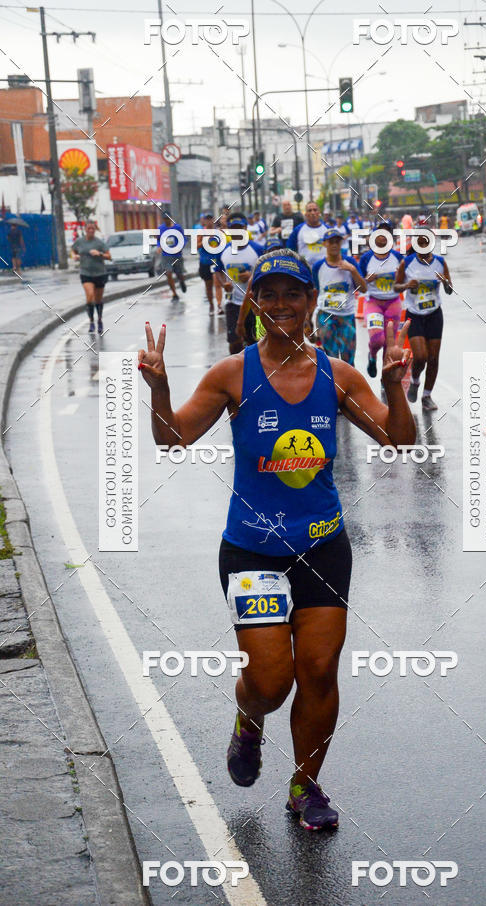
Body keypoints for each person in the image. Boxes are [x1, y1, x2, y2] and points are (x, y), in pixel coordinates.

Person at [137, 247, 415, 831]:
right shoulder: (231, 375)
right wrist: (158, 389)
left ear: (312, 302)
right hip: (251, 550)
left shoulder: (337, 376)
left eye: (294, 293)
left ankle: (305, 786)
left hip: (321, 545)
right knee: (269, 682)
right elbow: (172, 438)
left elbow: (400, 441)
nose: (281, 304)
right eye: (269, 294)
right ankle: (249, 720)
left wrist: (395, 389)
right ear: (254, 304)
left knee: (318, 671)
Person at [394, 230, 453, 411]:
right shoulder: (408, 262)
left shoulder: (440, 262)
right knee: (420, 357)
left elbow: (450, 290)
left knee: (433, 358)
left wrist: (445, 283)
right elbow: (396, 287)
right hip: (415, 314)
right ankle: (415, 380)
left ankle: (427, 396)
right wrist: (406, 285)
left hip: (434, 313)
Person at [312, 228, 366, 366]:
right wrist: (308, 319)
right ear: (325, 244)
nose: (334, 245)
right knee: (331, 360)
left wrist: (353, 271)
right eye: (331, 242)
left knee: (349, 360)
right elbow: (314, 292)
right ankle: (333, 387)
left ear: (341, 243)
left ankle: (347, 387)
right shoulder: (318, 266)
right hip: (326, 316)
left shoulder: (351, 263)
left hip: (346, 317)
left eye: (337, 242)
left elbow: (364, 288)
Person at [213, 213, 263, 354]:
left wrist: (252, 276)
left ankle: (257, 372)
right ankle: (237, 371)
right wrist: (224, 284)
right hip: (232, 303)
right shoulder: (223, 250)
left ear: (246, 228)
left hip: (256, 305)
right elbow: (217, 270)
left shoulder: (258, 249)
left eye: (240, 228)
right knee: (234, 342)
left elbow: (267, 274)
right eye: (233, 229)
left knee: (258, 342)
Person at [359, 222, 404, 378]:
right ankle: (372, 356)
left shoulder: (398, 257)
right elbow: (359, 285)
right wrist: (366, 279)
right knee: (377, 339)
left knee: (388, 344)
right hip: (373, 302)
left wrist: (400, 279)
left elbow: (403, 282)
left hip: (393, 303)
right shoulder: (366, 258)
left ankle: (386, 383)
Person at [72, 220, 111, 334]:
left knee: (98, 299)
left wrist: (100, 254)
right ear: (85, 229)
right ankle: (91, 321)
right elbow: (73, 251)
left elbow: (109, 256)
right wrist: (74, 256)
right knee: (90, 296)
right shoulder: (80, 241)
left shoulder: (99, 243)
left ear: (95, 230)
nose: (91, 231)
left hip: (100, 273)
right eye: (88, 228)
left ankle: (99, 320)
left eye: (92, 229)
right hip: (86, 273)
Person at [286, 202, 328, 267]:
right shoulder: (298, 230)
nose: (313, 213)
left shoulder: (328, 229)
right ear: (305, 214)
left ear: (319, 213)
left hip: (324, 268)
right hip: (305, 270)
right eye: (309, 210)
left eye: (315, 210)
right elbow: (289, 250)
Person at [197, 212, 223, 315]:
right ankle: (211, 305)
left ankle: (219, 306)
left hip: (215, 262)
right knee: (208, 286)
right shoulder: (201, 232)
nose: (209, 221)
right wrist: (205, 240)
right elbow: (196, 246)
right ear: (204, 221)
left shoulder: (218, 232)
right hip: (205, 262)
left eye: (211, 219)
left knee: (217, 284)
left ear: (214, 220)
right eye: (207, 219)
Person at [158, 210, 187, 302]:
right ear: (163, 219)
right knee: (169, 273)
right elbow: (158, 240)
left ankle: (181, 281)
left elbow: (184, 239)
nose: (167, 220)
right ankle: (174, 294)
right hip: (166, 255)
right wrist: (159, 246)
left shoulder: (177, 227)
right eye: (165, 219)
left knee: (179, 274)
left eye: (168, 218)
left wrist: (180, 247)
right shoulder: (160, 228)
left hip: (177, 254)